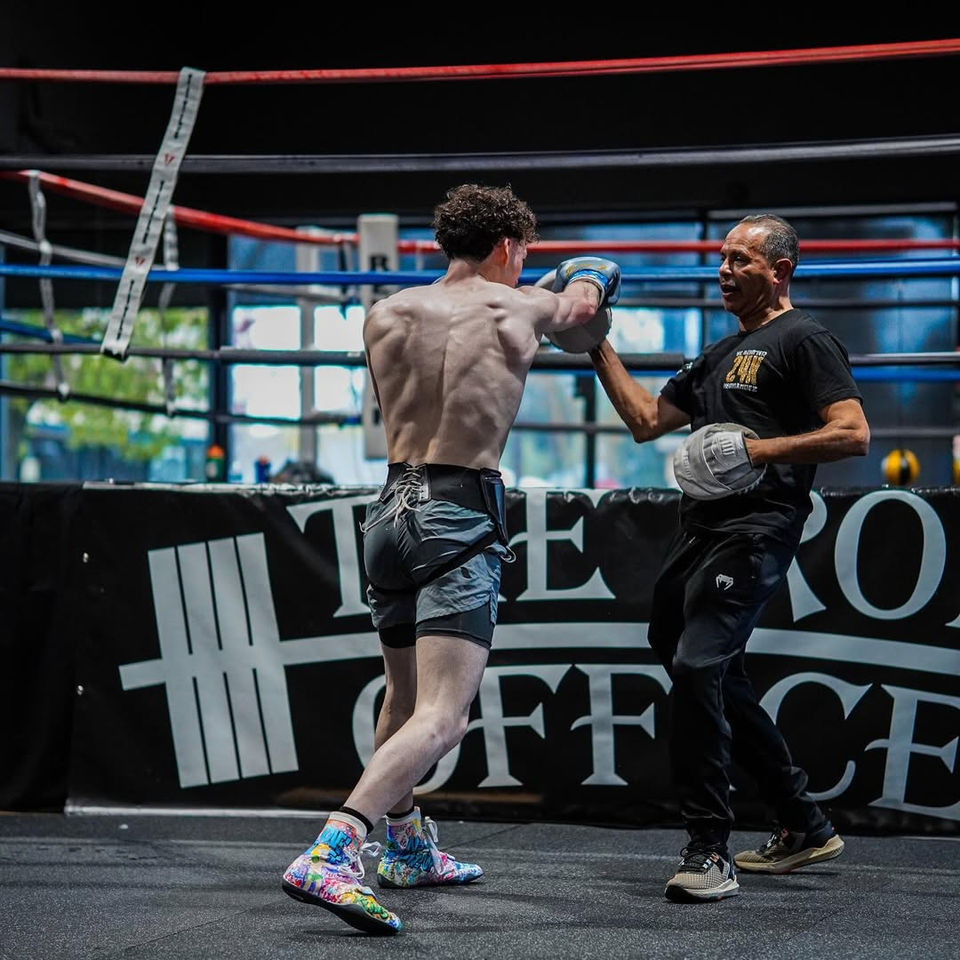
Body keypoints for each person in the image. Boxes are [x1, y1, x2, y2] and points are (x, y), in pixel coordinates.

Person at [281, 183, 621, 934]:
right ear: (507, 246)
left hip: (389, 511)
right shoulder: (517, 307)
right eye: (523, 252)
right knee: (444, 715)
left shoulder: (386, 313)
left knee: (401, 701)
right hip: (458, 513)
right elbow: (580, 310)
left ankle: (407, 847)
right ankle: (334, 849)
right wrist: (593, 275)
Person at [589, 214, 869, 903]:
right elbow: (645, 420)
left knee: (697, 665)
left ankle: (709, 848)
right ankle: (802, 821)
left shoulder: (805, 339)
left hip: (758, 527)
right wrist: (594, 340)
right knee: (685, 653)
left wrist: (757, 450)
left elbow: (853, 433)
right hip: (701, 529)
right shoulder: (717, 354)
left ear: (780, 270)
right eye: (722, 258)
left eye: (741, 259)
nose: (724, 270)